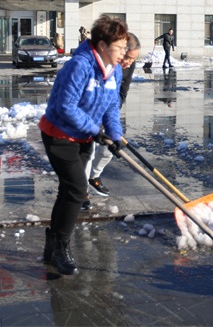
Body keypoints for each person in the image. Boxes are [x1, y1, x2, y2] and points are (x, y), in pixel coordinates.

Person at [38, 14, 127, 275]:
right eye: (119, 46)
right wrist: (94, 130)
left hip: (83, 137)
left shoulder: (115, 70)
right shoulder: (79, 65)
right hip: (59, 134)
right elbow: (65, 107)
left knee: (68, 191)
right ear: (102, 46)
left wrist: (115, 135)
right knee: (77, 189)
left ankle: (51, 244)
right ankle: (60, 249)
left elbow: (111, 107)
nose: (124, 51)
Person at [83, 32, 141, 207]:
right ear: (121, 51)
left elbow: (122, 92)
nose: (129, 63)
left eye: (133, 60)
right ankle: (82, 191)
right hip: (89, 113)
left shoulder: (127, 65)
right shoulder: (99, 64)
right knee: (88, 150)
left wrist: (111, 119)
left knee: (111, 145)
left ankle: (94, 175)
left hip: (109, 109)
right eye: (128, 58)